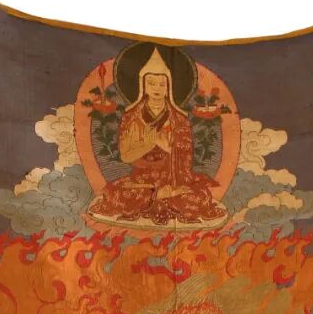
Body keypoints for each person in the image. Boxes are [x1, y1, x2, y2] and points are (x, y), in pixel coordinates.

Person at [86, 49, 225, 227]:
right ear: (143, 86)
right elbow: (126, 156)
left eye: (162, 84)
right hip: (142, 181)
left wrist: (172, 153)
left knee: (199, 197)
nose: (157, 89)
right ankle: (157, 195)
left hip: (173, 179)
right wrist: (151, 141)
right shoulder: (132, 117)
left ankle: (163, 195)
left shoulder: (178, 119)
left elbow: (187, 155)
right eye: (151, 83)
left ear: (169, 88)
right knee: (118, 194)